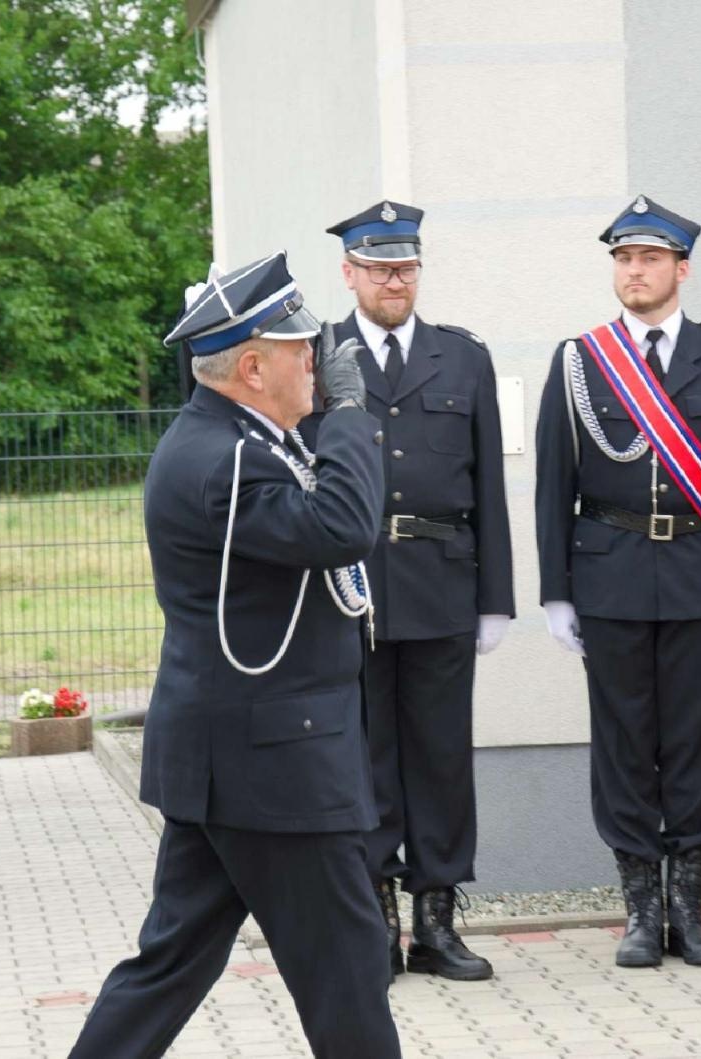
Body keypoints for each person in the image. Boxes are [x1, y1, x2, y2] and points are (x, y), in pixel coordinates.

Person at [67, 253, 401, 1058]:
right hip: (272, 762)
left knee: (172, 961)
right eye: (299, 347)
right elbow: (342, 525)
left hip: (236, 753)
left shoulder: (238, 437)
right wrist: (352, 412)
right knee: (347, 967)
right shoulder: (231, 457)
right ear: (251, 366)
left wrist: (326, 415)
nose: (316, 358)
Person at [534, 195, 701, 968]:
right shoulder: (580, 358)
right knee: (626, 743)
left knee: (698, 742)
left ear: (681, 269)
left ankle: (690, 911)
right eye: (623, 259)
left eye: (649, 259)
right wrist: (558, 590)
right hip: (611, 578)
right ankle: (640, 910)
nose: (633, 272)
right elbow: (552, 482)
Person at [312, 200, 514, 982]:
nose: (393, 279)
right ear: (349, 272)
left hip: (439, 583)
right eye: (377, 266)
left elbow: (489, 484)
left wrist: (494, 596)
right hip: (350, 586)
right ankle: (374, 925)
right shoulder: (320, 354)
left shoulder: (461, 358)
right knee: (362, 757)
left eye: (405, 266)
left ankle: (437, 923)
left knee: (439, 759)